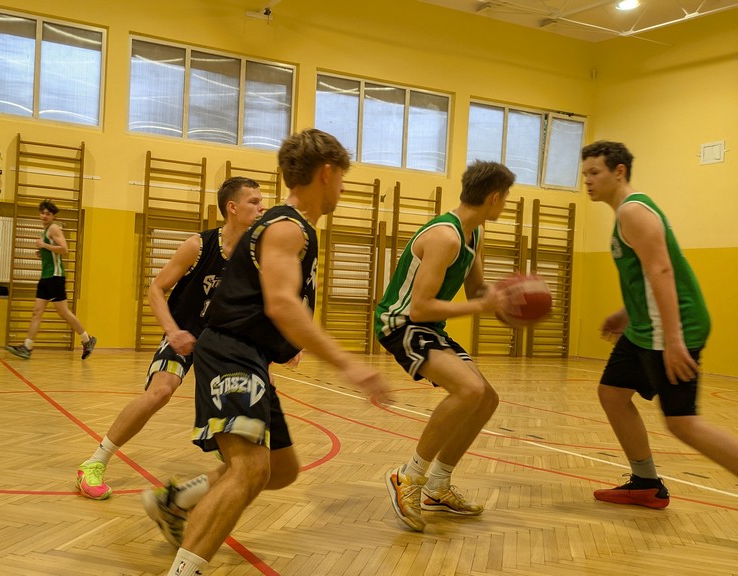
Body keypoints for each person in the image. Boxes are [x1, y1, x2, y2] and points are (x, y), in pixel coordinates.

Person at [163, 129, 390, 576]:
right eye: (342, 179)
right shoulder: (288, 227)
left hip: (250, 356)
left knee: (280, 470)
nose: (343, 190)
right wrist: (349, 365)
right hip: (231, 352)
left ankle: (177, 500)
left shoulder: (289, 226)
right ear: (327, 173)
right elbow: (282, 303)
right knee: (249, 469)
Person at [75, 177, 265, 503]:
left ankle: (225, 451)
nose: (262, 207)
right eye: (254, 201)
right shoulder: (199, 246)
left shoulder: (255, 254)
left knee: (244, 398)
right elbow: (156, 289)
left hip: (222, 343)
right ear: (232, 207)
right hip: (184, 332)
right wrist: (172, 331)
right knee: (160, 391)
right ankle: (94, 462)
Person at [581, 140, 738, 508]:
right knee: (612, 393)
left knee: (683, 422)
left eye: (594, 172)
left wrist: (674, 340)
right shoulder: (627, 213)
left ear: (619, 171)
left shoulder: (633, 212)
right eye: (584, 173)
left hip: (670, 329)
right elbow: (646, 276)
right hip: (643, 328)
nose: (587, 180)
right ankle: (646, 482)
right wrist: (625, 313)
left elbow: (662, 271)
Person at [375, 161, 517, 532]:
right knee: (469, 389)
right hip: (401, 323)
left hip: (428, 327)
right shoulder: (445, 237)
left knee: (486, 398)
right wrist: (481, 306)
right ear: (494, 197)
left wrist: (507, 301)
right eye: (506, 198)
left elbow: (476, 291)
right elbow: (420, 307)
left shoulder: (475, 233)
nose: (505, 204)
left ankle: (437, 485)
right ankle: (408, 476)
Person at [6, 199, 97, 360]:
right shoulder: (46, 230)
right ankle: (27, 347)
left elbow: (65, 249)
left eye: (48, 213)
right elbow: (53, 251)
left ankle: (86, 339)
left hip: (55, 277)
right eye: (42, 213)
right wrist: (43, 253)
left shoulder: (54, 228)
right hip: (45, 277)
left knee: (64, 312)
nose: (44, 216)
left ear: (53, 216)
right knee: (37, 312)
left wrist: (45, 246)